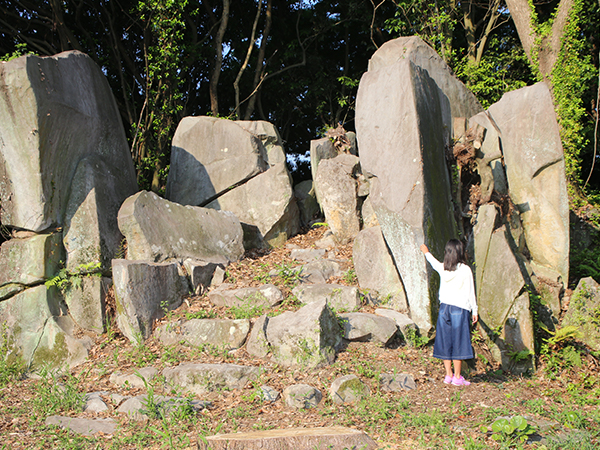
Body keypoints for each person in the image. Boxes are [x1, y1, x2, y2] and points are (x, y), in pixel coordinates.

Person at [420, 239, 478, 386]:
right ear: (459, 252)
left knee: (445, 340)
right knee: (458, 341)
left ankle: (448, 375)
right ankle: (457, 377)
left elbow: (432, 261)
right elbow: (471, 292)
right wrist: (474, 310)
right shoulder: (465, 270)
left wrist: (425, 251)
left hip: (444, 308)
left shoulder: (443, 268)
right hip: (460, 309)